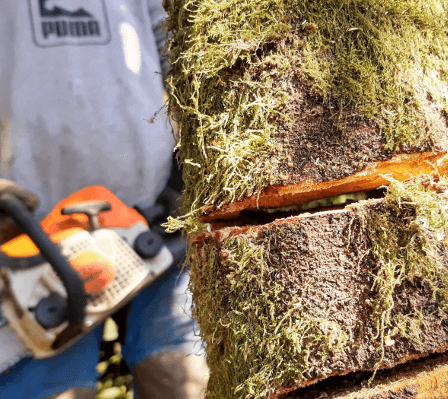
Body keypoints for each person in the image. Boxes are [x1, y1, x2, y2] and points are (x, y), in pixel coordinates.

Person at [0, 1, 208, 398]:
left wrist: (195, 152)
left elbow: (174, 43)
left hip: (154, 221)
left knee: (184, 381)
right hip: (30, 240)